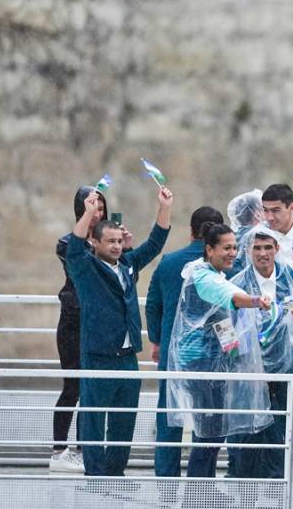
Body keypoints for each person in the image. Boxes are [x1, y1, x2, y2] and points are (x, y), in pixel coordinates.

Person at [66, 186, 172, 476]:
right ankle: (96, 474)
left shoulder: (126, 264)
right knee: (94, 419)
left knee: (124, 419)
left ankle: (115, 473)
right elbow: (73, 248)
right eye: (109, 241)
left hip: (127, 355)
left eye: (118, 240)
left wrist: (164, 207)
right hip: (99, 353)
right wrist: (89, 212)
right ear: (95, 243)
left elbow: (153, 244)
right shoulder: (85, 269)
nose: (115, 245)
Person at [166, 223, 272, 485]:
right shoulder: (205, 278)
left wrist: (235, 354)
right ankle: (196, 494)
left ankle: (205, 489)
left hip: (214, 365)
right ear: (209, 249)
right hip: (201, 365)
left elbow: (220, 320)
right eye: (226, 248)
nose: (232, 253)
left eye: (235, 247)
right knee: (208, 434)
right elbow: (231, 297)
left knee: (213, 433)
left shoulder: (213, 274)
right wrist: (258, 301)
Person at [145, 206, 224, 478]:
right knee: (210, 417)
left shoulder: (169, 262)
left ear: (191, 231)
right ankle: (201, 483)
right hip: (211, 355)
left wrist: (157, 340)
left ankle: (166, 483)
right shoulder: (224, 265)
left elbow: (153, 304)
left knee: (169, 416)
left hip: (173, 351)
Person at [229, 226, 293, 479]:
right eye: (257, 247)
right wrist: (233, 354)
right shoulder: (237, 283)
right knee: (248, 438)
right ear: (248, 250)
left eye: (268, 247)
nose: (263, 253)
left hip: (288, 372)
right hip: (250, 372)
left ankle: (280, 493)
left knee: (285, 434)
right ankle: (246, 495)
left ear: (277, 248)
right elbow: (221, 323)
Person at [51, 186, 109, 473]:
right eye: (91, 206)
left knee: (92, 388)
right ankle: (59, 450)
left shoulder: (107, 242)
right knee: (72, 386)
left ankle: (83, 448)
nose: (97, 213)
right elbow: (74, 256)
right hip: (73, 322)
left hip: (97, 322)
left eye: (100, 207)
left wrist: (121, 244)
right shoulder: (67, 243)